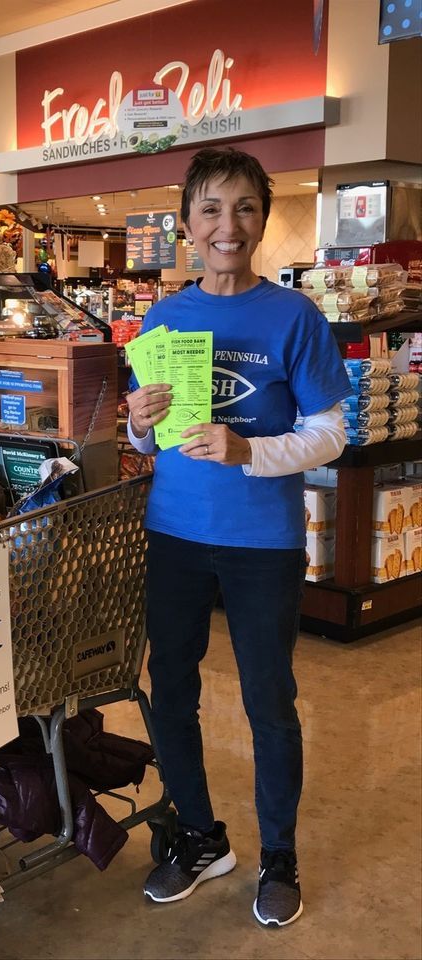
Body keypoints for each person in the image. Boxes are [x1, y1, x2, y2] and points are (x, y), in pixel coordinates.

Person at [126, 147, 351, 927]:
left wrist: (251, 450)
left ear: (262, 217)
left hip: (264, 542)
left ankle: (279, 855)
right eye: (212, 210)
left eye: (246, 208)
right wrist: (137, 423)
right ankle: (199, 836)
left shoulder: (295, 316)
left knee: (268, 700)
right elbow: (149, 439)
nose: (230, 226)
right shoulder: (165, 315)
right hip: (176, 532)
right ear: (187, 223)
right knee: (173, 695)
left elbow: (330, 434)